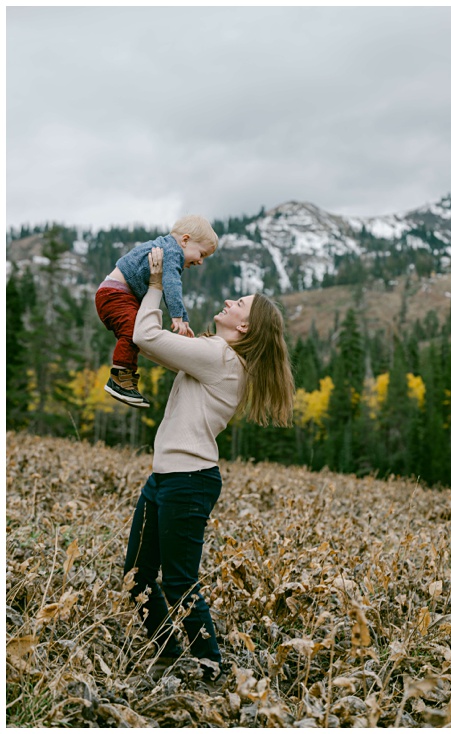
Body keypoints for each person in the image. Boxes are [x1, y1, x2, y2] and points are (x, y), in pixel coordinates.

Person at [123, 246, 293, 681]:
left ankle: (210, 663)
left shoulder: (221, 359)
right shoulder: (216, 353)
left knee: (178, 580)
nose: (231, 301)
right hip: (166, 477)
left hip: (189, 480)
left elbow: (146, 338)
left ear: (245, 325)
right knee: (137, 577)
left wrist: (157, 287)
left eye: (240, 303)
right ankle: (166, 652)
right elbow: (162, 350)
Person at [95, 215, 218, 409]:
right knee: (132, 330)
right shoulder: (171, 251)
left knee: (137, 331)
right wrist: (177, 316)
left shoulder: (168, 249)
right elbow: (171, 284)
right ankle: (119, 377)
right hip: (114, 294)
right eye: (201, 254)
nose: (201, 262)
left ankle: (126, 376)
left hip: (119, 295)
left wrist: (183, 319)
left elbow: (170, 286)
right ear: (185, 240)